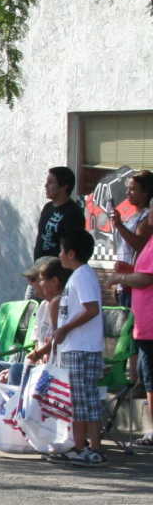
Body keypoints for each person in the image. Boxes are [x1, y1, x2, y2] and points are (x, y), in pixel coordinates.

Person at [32, 229, 105, 464]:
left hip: (81, 347)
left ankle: (87, 448)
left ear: (71, 253)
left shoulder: (82, 276)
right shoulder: (79, 276)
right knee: (81, 400)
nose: (59, 255)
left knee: (82, 400)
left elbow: (91, 309)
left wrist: (65, 329)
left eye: (62, 251)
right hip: (77, 347)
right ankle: (83, 447)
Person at [106, 172, 153, 446]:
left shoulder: (146, 228)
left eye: (134, 189)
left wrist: (122, 277)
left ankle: (149, 426)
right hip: (141, 316)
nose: (129, 194)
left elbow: (145, 275)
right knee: (145, 366)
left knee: (148, 369)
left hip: (148, 317)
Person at [0, 257, 64, 411]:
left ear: (54, 281)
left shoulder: (62, 306)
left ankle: (17, 419)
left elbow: (56, 344)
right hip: (38, 367)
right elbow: (35, 346)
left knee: (15, 370)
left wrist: (27, 365)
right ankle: (2, 418)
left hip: (55, 370)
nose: (31, 284)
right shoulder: (43, 307)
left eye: (35, 279)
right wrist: (28, 364)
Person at [34, 166, 86, 261]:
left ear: (64, 187)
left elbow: (72, 248)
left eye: (50, 182)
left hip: (58, 268)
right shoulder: (47, 207)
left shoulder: (73, 214)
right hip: (40, 266)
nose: (46, 186)